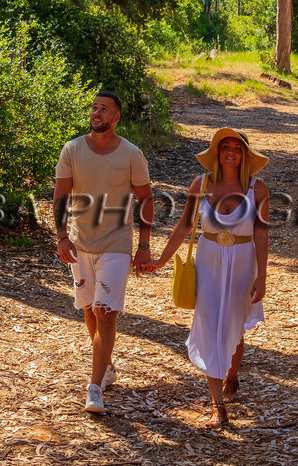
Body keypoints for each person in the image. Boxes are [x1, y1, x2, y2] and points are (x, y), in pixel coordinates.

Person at [151, 127, 269, 429]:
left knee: (233, 324)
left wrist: (262, 276)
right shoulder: (200, 184)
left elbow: (261, 234)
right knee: (210, 323)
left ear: (245, 154)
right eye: (225, 147)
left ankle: (232, 372)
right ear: (217, 152)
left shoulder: (258, 189)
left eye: (237, 148)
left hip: (243, 262)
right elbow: (183, 226)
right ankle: (217, 407)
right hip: (208, 260)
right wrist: (161, 260)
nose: (231, 152)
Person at [53, 90, 154, 415]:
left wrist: (143, 245)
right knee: (88, 309)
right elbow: (60, 196)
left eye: (104, 109)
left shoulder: (131, 154)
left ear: (116, 118)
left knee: (105, 311)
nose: (97, 112)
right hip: (80, 244)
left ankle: (94, 387)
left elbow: (146, 199)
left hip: (117, 244)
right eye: (94, 107)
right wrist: (61, 236)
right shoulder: (72, 149)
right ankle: (107, 366)